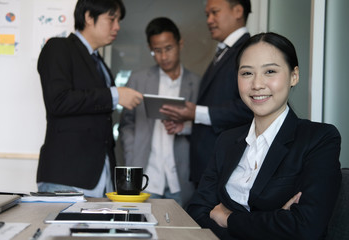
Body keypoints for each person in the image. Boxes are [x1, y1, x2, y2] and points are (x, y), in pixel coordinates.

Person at [187, 32, 342, 239]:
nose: (257, 84)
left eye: (270, 71)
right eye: (247, 73)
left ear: (294, 76)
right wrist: (274, 220)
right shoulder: (226, 140)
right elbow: (197, 212)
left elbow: (306, 228)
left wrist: (228, 218)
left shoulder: (319, 139)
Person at [36, 0, 143, 197]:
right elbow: (58, 101)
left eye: (118, 20)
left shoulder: (99, 62)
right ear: (88, 17)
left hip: (101, 177)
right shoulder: (58, 47)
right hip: (66, 176)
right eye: (111, 19)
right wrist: (115, 94)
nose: (117, 26)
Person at [160, 0, 253, 186]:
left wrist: (196, 112)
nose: (209, 20)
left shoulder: (248, 51)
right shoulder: (224, 52)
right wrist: (187, 126)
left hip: (228, 166)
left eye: (215, 12)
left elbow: (249, 106)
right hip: (211, 165)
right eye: (207, 15)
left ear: (238, 11)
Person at [119, 17, 200, 206]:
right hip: (146, 177)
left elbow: (204, 126)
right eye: (157, 50)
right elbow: (126, 125)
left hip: (181, 179)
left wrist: (185, 127)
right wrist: (132, 158)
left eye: (168, 48)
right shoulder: (138, 80)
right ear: (150, 49)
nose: (163, 56)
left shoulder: (196, 83)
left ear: (180, 44)